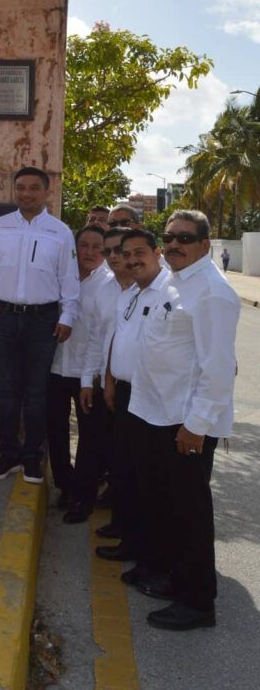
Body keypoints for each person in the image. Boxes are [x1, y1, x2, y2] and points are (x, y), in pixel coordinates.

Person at [126, 210, 240, 631]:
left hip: (184, 423)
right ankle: (175, 579)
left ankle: (198, 602)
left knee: (190, 514)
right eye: (169, 237)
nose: (174, 244)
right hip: (157, 414)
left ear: (205, 244)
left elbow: (218, 367)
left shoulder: (212, 292)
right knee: (168, 506)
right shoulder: (175, 281)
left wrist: (196, 425)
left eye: (185, 238)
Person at [0, 166, 80, 483]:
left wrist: (67, 316)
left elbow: (68, 278)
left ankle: (33, 456)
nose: (26, 193)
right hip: (3, 317)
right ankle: (8, 453)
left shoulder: (60, 232)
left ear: (47, 192)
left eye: (34, 188)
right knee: (6, 391)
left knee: (36, 393)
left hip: (43, 320)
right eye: (20, 187)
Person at [95, 229, 170, 565]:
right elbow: (116, 340)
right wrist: (110, 381)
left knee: (144, 475)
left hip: (149, 395)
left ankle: (142, 547)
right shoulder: (130, 292)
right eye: (126, 254)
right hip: (124, 393)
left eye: (139, 252)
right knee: (123, 468)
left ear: (157, 253)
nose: (130, 259)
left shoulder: (166, 292)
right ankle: (127, 533)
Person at [47, 225, 108, 522]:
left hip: (89, 374)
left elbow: (100, 335)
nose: (89, 252)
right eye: (84, 245)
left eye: (97, 246)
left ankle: (85, 496)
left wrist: (90, 377)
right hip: (56, 366)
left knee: (89, 438)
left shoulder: (108, 284)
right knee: (56, 431)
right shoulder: (63, 277)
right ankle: (65, 485)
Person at [79, 226, 135, 531]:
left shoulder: (148, 289)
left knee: (129, 462)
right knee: (99, 449)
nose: (114, 257)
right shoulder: (105, 291)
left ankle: (128, 526)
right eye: (109, 251)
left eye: (120, 251)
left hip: (136, 391)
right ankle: (89, 506)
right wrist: (88, 380)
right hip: (104, 387)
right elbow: (95, 340)